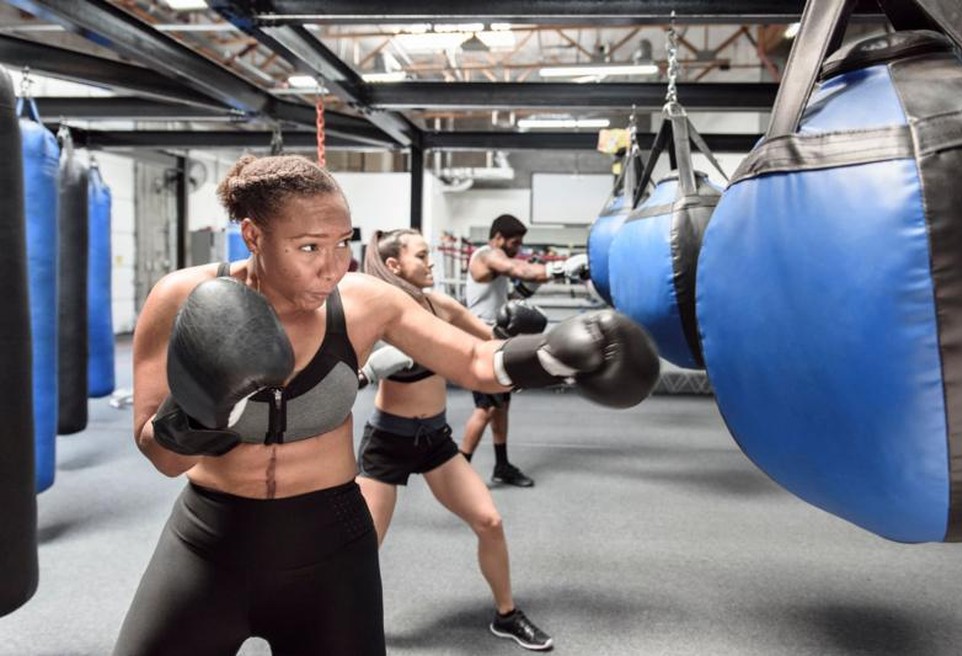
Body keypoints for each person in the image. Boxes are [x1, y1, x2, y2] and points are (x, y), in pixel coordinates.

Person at [114, 153, 656, 655]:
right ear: (253, 235)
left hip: (328, 550)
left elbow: (472, 359)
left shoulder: (365, 302)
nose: (331, 267)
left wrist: (555, 357)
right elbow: (161, 458)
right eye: (308, 247)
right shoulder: (181, 298)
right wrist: (204, 408)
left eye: (342, 243)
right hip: (210, 542)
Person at [356, 228, 553, 651]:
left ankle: (506, 614)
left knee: (490, 521)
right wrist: (377, 364)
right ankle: (342, 627)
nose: (431, 263)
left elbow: (489, 342)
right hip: (388, 440)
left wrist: (541, 354)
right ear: (395, 266)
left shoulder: (439, 306)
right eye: (422, 256)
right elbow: (367, 359)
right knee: (362, 546)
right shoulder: (378, 312)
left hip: (435, 440)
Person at [461, 213, 590, 487]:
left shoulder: (496, 266)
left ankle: (502, 465)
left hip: (496, 340)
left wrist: (529, 287)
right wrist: (560, 269)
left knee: (501, 406)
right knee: (485, 409)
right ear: (497, 238)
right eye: (514, 243)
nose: (517, 248)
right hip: (479, 343)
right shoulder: (486, 255)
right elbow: (518, 268)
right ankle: (459, 473)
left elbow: (509, 300)